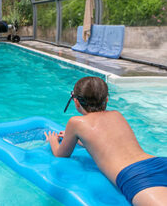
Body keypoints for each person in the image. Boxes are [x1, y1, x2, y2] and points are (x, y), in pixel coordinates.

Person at [44, 77, 167, 206]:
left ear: (76, 102)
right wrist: (83, 142)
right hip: (158, 162)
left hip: (135, 176)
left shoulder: (76, 122)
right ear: (106, 100)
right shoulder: (116, 114)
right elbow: (112, 141)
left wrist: (52, 140)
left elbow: (61, 154)